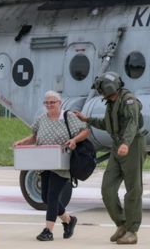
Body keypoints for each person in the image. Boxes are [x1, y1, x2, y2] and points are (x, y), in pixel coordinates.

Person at [74, 72, 146, 245]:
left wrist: (126, 144)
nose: (99, 92)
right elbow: (108, 124)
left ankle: (132, 231)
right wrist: (87, 119)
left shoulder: (129, 101)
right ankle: (121, 224)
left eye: (100, 88)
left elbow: (132, 124)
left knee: (133, 190)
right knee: (107, 189)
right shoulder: (111, 103)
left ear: (107, 88)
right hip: (118, 146)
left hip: (132, 145)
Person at [14, 90, 91, 241]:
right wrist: (22, 142)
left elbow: (86, 131)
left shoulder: (68, 117)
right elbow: (35, 136)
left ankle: (48, 231)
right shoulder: (41, 119)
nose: (49, 105)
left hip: (62, 163)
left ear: (59, 103)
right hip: (45, 162)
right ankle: (69, 220)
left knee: (53, 195)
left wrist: (74, 140)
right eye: (47, 103)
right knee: (45, 197)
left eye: (52, 102)